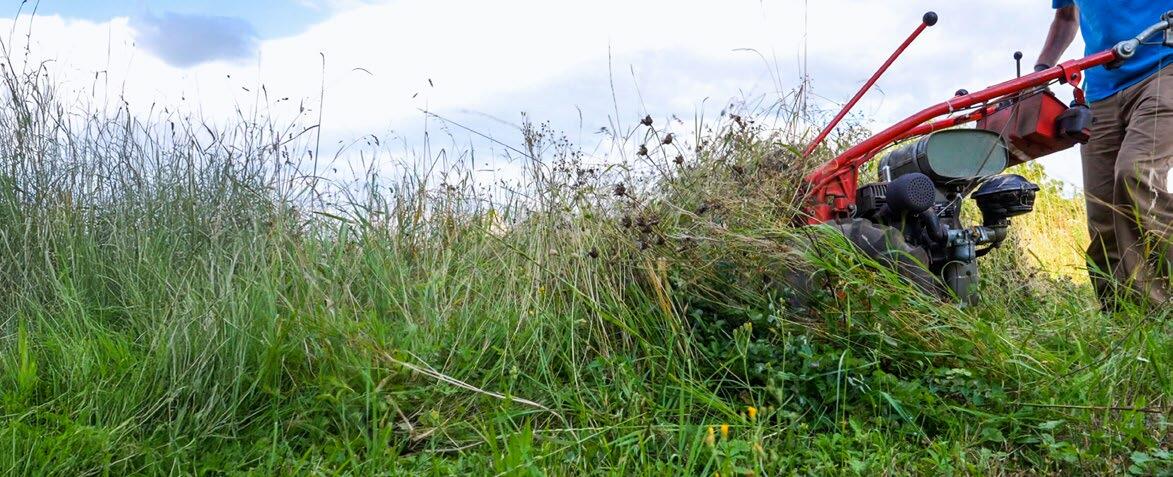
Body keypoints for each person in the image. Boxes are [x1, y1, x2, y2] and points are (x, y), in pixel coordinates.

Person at [1036, 1, 1173, 309]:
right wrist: (1041, 71)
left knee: (1136, 174)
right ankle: (1122, 322)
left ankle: (1164, 309)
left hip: (1164, 66)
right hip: (1101, 87)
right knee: (1104, 213)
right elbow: (1066, 17)